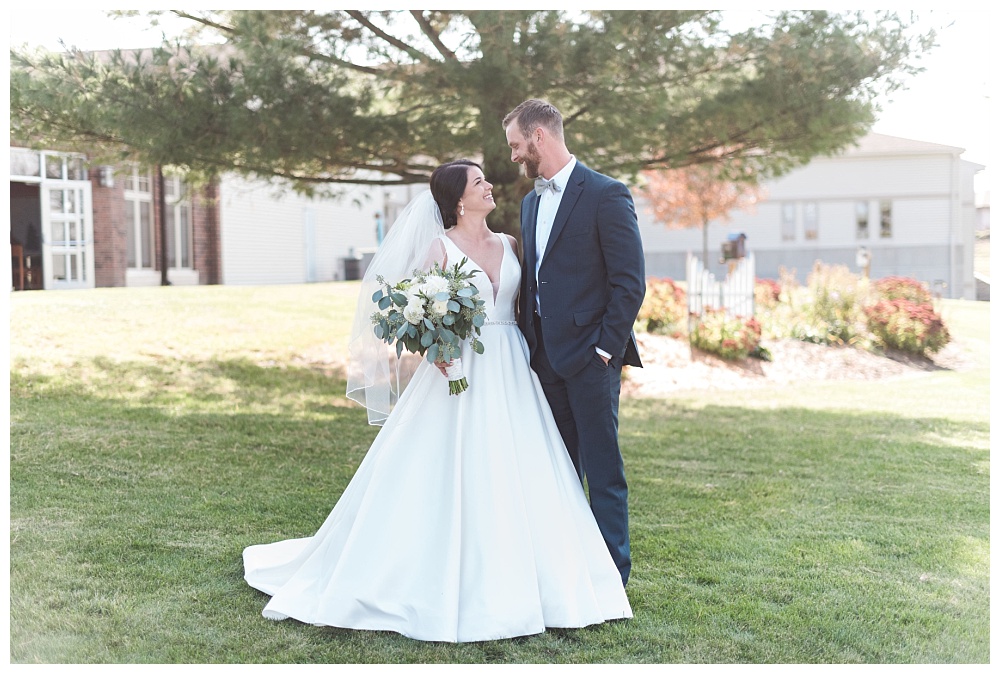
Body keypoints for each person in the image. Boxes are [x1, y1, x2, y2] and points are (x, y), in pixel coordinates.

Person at [243, 160, 632, 643]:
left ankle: (545, 575)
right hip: (459, 368)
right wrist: (441, 353)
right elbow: (421, 315)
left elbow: (527, 305)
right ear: (458, 200)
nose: (490, 185)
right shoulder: (438, 249)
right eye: (479, 182)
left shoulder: (511, 244)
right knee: (453, 466)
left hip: (512, 365)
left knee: (523, 465)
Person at [503, 99, 646, 587]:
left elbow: (629, 283)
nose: (515, 156)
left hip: (592, 360)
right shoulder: (530, 202)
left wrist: (605, 351)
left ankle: (611, 576)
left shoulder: (607, 194)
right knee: (559, 472)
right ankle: (567, 573)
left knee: (603, 472)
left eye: (518, 145)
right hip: (544, 360)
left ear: (540, 136)